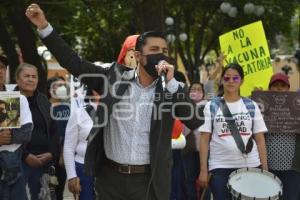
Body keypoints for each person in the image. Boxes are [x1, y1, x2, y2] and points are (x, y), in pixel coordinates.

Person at [25, 4, 204, 200]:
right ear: (137, 56)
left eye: (164, 50)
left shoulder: (172, 88)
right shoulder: (113, 78)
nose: (160, 54)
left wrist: (171, 84)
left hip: (148, 182)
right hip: (110, 179)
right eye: (154, 49)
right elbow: (74, 62)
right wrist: (44, 27)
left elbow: (195, 120)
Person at [198, 63, 268, 200]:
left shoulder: (251, 105)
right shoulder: (211, 106)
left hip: (250, 166)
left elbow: (260, 139)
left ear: (242, 81)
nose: (231, 81)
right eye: (227, 78)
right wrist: (203, 170)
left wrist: (264, 168)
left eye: (235, 78)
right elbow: (204, 139)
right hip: (219, 167)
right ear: (222, 80)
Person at [15, 63, 60, 200]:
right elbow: (9, 134)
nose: (30, 79)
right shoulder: (11, 100)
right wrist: (26, 156)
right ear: (17, 79)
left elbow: (54, 131)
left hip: (43, 163)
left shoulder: (44, 101)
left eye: (34, 76)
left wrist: (51, 153)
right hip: (20, 162)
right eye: (26, 76)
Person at [0, 55, 33, 200]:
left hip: (12, 166)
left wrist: (7, 138)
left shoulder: (11, 98)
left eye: (1, 67)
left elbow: (25, 134)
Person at [265, 72, 300, 200]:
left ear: (288, 88)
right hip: (268, 167)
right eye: (275, 85)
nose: (279, 88)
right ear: (269, 88)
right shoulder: (262, 106)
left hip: (293, 167)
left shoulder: (297, 107)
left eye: (283, 85)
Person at [64, 88, 99, 200]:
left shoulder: (115, 113)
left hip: (107, 170)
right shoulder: (79, 113)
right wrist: (72, 176)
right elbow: (69, 147)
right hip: (83, 169)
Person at [182, 82, 209, 200]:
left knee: (205, 181)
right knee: (189, 181)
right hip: (188, 150)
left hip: (204, 152)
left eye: (199, 89)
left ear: (203, 93)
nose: (196, 92)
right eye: (193, 89)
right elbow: (182, 131)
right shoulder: (183, 108)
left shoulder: (208, 107)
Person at [47, 76, 70, 200]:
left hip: (61, 157)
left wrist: (63, 154)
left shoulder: (67, 108)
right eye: (58, 85)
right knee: (45, 191)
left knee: (59, 190)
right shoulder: (44, 106)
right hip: (45, 155)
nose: (61, 88)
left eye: (63, 85)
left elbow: (68, 134)